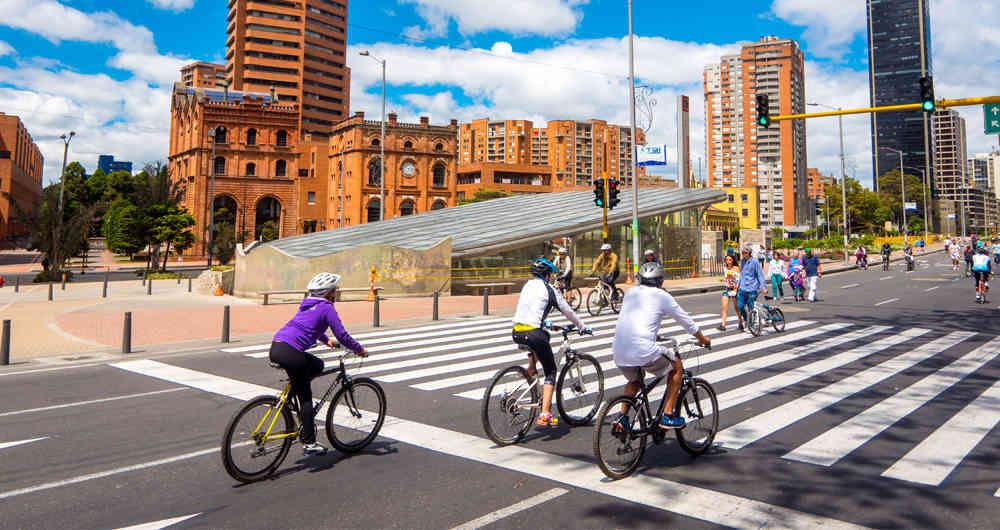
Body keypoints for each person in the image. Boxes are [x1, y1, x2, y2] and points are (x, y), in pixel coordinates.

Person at [270, 272, 368, 456]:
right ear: (328, 293)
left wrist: (326, 340)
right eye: (334, 290)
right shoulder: (327, 308)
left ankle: (296, 397)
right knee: (306, 397)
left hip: (277, 346)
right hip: (292, 353)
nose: (336, 293)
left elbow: (309, 326)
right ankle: (309, 443)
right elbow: (342, 335)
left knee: (317, 365)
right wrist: (359, 349)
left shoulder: (307, 304)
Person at [612, 261, 711, 430]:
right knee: (677, 367)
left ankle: (622, 417)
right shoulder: (662, 296)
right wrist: (702, 339)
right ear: (660, 281)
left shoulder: (630, 292)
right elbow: (686, 321)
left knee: (635, 380)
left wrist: (652, 336)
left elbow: (636, 318)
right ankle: (668, 415)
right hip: (642, 349)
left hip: (619, 349)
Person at [512, 258, 592, 427]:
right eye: (550, 275)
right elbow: (568, 311)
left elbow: (530, 309)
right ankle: (545, 414)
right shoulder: (550, 290)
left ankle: (531, 369)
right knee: (551, 371)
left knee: (545, 337)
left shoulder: (527, 286)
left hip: (517, 332)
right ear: (547, 275)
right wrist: (582, 326)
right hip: (533, 333)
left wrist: (546, 323)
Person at [737, 246, 767, 328]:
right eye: (742, 253)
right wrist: (738, 285)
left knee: (751, 307)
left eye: (745, 253)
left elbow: (760, 275)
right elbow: (741, 274)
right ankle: (747, 320)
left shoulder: (755, 262)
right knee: (740, 306)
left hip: (752, 287)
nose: (743, 254)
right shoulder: (742, 261)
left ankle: (751, 323)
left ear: (749, 253)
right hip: (743, 287)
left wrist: (764, 287)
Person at [718, 254, 742, 332]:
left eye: (730, 260)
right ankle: (723, 325)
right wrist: (723, 279)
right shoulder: (725, 268)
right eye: (727, 260)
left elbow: (739, 280)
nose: (728, 261)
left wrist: (736, 288)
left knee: (736, 307)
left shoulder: (736, 268)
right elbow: (727, 278)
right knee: (724, 307)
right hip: (727, 289)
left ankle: (741, 322)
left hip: (734, 289)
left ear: (733, 260)